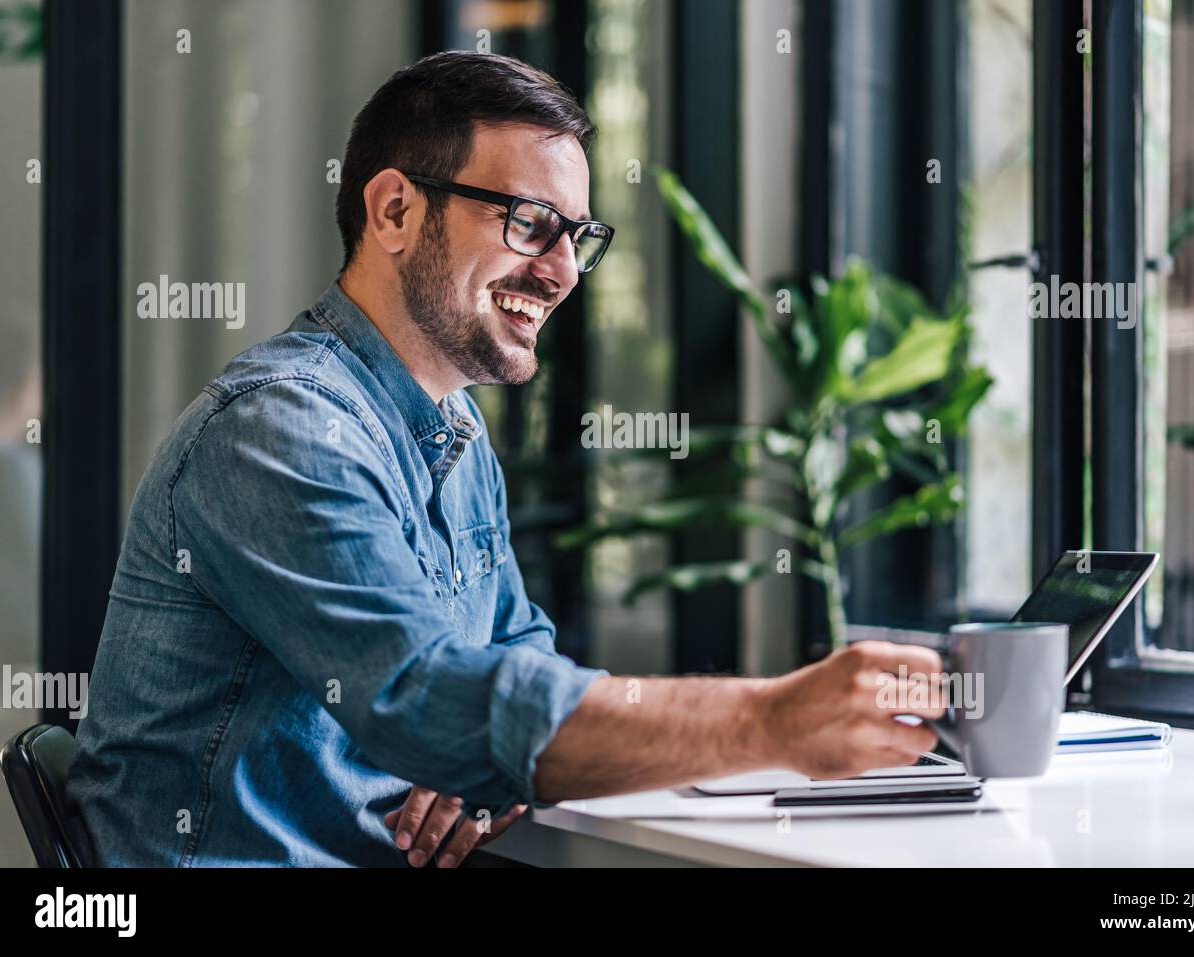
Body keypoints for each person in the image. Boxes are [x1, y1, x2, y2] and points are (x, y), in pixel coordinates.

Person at [67, 51, 942, 868]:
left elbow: (514, 651)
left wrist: (475, 756)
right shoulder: (282, 430)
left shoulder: (451, 423)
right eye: (530, 223)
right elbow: (424, 693)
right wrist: (772, 718)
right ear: (395, 211)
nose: (563, 270)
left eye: (577, 235)